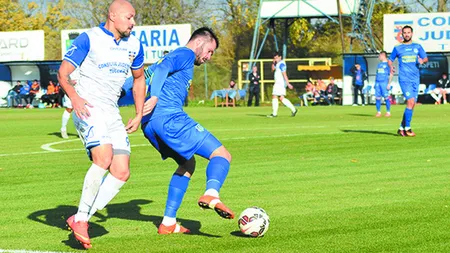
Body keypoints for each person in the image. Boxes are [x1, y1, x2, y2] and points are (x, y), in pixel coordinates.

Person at [57, 0, 145, 248]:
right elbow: (63, 73)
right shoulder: (89, 38)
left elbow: (139, 79)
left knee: (121, 171)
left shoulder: (135, 45)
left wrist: (138, 114)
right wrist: (75, 99)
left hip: (111, 112)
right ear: (112, 15)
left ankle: (79, 217)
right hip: (89, 107)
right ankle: (82, 219)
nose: (133, 22)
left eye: (134, 17)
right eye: (129, 17)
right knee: (103, 158)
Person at [141, 27, 234, 235]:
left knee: (187, 163)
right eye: (209, 51)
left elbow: (139, 80)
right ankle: (211, 194)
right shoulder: (185, 54)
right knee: (222, 155)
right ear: (200, 42)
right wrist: (155, 96)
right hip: (170, 119)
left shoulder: (170, 58)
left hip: (149, 124)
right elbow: (164, 68)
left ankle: (168, 222)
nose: (209, 57)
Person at [389, 25, 428, 137]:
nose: (406, 34)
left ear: (412, 33)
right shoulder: (397, 48)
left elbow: (425, 58)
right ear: (402, 34)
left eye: (408, 32)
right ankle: (408, 128)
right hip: (404, 79)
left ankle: (401, 127)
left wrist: (422, 61)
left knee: (412, 104)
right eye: (404, 33)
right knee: (410, 101)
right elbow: (390, 60)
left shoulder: (417, 46)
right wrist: (390, 66)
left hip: (415, 79)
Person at [267, 52, 297, 117]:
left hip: (280, 83)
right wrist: (273, 62)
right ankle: (293, 109)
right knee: (281, 98)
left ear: (280, 57)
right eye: (275, 58)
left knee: (274, 96)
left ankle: (274, 114)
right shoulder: (277, 63)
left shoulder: (282, 64)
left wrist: (288, 83)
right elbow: (272, 69)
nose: (276, 59)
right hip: (278, 83)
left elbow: (284, 74)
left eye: (277, 58)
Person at [374, 51, 393, 117]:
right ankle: (378, 112)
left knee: (386, 97)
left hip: (384, 82)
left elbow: (391, 74)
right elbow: (377, 74)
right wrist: (375, 83)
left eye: (380, 55)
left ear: (383, 55)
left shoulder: (388, 64)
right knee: (377, 97)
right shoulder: (379, 65)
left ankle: (388, 112)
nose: (379, 57)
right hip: (378, 83)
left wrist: (389, 83)